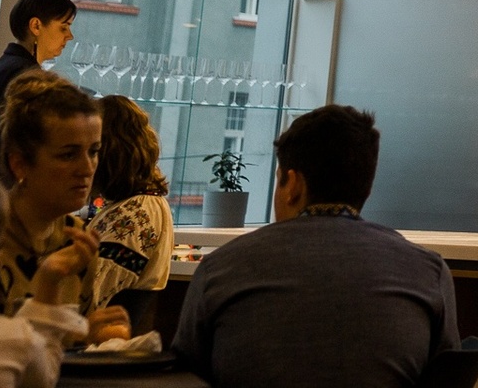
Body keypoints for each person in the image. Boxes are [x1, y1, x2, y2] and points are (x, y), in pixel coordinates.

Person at [173, 105, 459, 388]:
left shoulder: (221, 269)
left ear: (293, 184)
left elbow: (184, 375)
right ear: (367, 187)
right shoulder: (428, 273)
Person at [0, 75, 128, 345]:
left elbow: (78, 336)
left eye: (94, 151)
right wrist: (74, 336)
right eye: (68, 155)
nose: (87, 168)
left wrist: (96, 336)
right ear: (19, 164)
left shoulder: (78, 238)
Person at [0, 169, 92, 387]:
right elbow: (45, 374)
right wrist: (49, 282)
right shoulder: (8, 342)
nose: (87, 169)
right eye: (67, 155)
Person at [85, 98, 172, 327]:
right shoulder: (141, 205)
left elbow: (86, 300)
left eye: (91, 150)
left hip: (94, 342)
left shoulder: (133, 215)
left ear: (107, 152)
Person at [0, 0, 76, 176]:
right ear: (36, 26)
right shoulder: (23, 72)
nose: (70, 36)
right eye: (64, 27)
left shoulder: (11, 62)